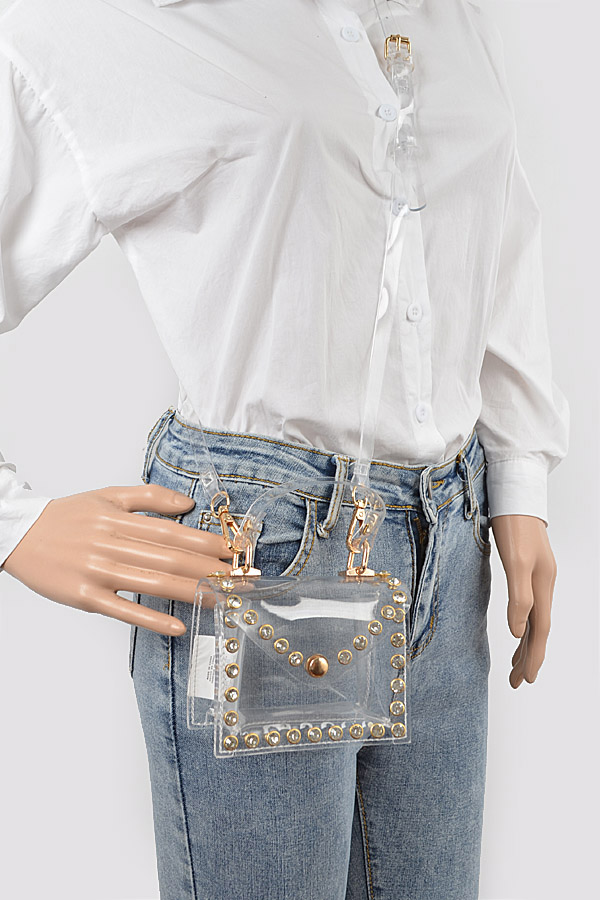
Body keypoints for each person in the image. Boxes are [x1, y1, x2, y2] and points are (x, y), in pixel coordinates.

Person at [0, 1, 569, 898]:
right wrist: (15, 521)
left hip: (451, 543)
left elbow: (494, 226)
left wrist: (519, 478)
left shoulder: (452, 14)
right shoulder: (137, 22)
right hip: (260, 552)